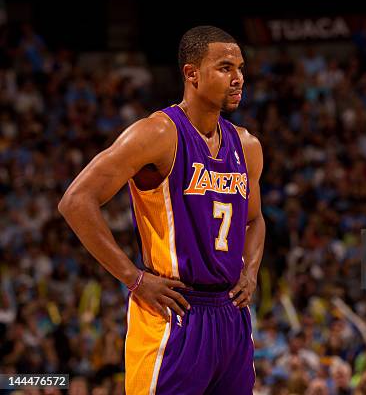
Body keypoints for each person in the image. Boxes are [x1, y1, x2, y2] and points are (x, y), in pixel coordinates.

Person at [58, 25, 265, 394]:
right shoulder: (157, 134)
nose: (238, 79)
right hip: (175, 311)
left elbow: (253, 220)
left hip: (231, 315)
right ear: (191, 74)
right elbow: (77, 201)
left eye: (241, 68)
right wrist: (134, 278)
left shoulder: (246, 145)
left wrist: (250, 273)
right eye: (225, 68)